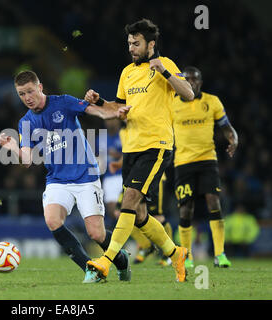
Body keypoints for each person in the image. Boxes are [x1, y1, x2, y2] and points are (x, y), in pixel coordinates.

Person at [85, 19, 194, 283]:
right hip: (131, 147)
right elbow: (119, 110)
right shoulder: (127, 73)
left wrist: (165, 73)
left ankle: (106, 261)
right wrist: (100, 102)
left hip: (156, 146)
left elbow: (189, 94)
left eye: (136, 43)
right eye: (129, 43)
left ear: (151, 44)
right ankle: (175, 252)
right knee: (141, 214)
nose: (132, 48)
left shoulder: (165, 64)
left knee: (129, 201)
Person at [0, 70, 131, 283]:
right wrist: (13, 146)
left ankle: (121, 259)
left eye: (30, 91)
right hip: (57, 180)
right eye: (21, 94)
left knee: (96, 234)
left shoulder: (64, 102)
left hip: (85, 176)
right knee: (52, 221)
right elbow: (27, 160)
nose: (27, 98)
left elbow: (95, 111)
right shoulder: (26, 122)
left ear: (40, 87)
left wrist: (115, 113)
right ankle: (90, 269)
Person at [172, 66, 238, 268]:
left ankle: (220, 255)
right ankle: (187, 256)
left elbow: (227, 127)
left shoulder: (212, 101)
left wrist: (233, 139)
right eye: (188, 80)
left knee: (213, 202)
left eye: (195, 80)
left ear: (200, 83)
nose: (191, 83)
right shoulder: (171, 103)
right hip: (183, 163)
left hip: (208, 160)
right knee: (186, 209)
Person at [110, 126, 173, 266]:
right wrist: (119, 163)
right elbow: (130, 153)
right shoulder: (123, 132)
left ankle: (169, 254)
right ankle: (146, 246)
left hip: (154, 178)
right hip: (132, 178)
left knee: (157, 216)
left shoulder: (146, 124)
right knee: (122, 213)